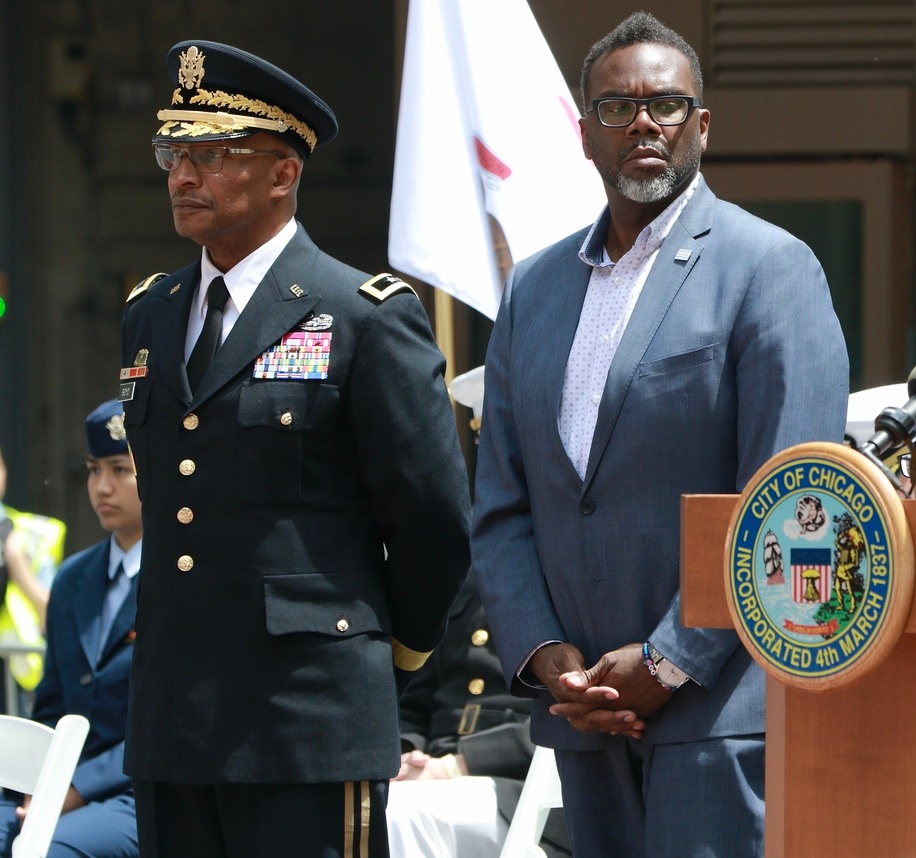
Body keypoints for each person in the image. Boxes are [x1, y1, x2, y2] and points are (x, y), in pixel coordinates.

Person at [470, 11, 850, 858]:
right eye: (616, 108)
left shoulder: (769, 268)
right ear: (584, 135)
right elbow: (501, 503)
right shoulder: (532, 290)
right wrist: (549, 661)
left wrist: (669, 659)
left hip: (719, 716)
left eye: (667, 105)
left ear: (701, 126)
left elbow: (793, 507)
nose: (643, 122)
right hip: (583, 718)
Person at [119, 40, 470, 858]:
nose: (182, 175)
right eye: (174, 152)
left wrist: (390, 657)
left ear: (284, 173)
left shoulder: (364, 314)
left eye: (212, 155)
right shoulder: (151, 312)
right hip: (175, 718)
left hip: (307, 717)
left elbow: (432, 519)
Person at [0, 399, 141, 857]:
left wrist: (74, 787)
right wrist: (37, 784)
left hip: (139, 790)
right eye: (92, 468)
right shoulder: (73, 578)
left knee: (47, 851)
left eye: (121, 470)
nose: (102, 486)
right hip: (57, 785)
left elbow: (179, 719)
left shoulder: (185, 582)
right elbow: (52, 705)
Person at [387, 569, 570, 858]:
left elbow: (570, 716)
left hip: (522, 788)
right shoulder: (460, 570)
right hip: (432, 769)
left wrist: (458, 764)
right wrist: (405, 756)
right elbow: (414, 698)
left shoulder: (569, 575)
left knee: (402, 813)